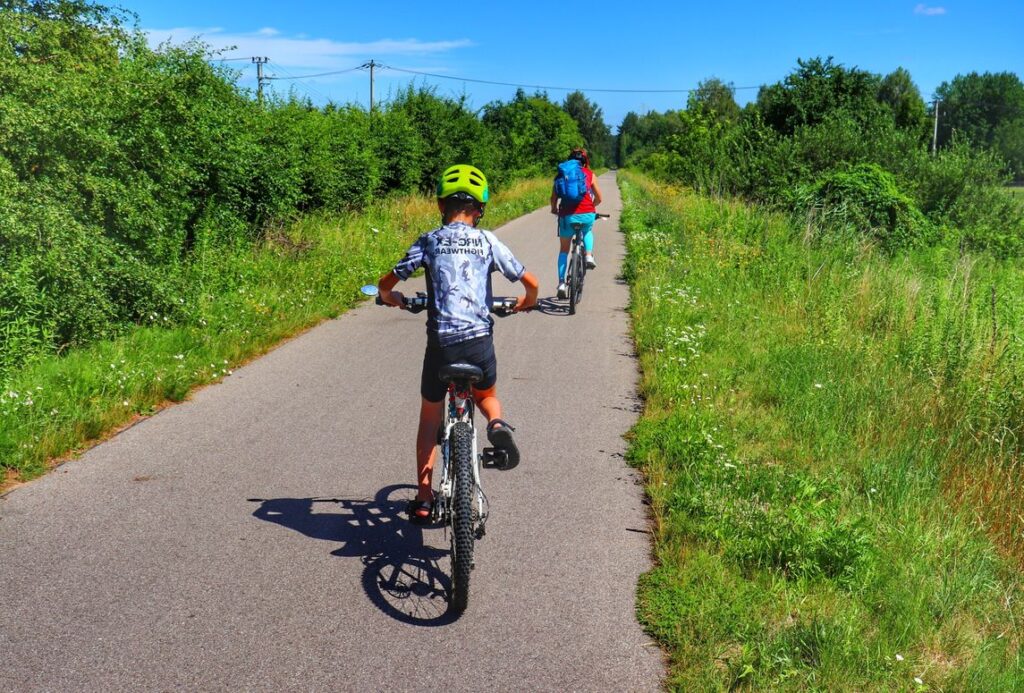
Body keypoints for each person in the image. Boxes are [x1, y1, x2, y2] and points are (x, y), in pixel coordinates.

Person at [377, 164, 539, 523]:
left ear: (441, 206)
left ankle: (422, 499)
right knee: (486, 394)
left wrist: (389, 295)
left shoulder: (430, 240)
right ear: (479, 209)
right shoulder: (487, 241)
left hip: (442, 346)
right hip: (479, 342)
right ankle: (497, 424)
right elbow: (531, 282)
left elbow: (390, 279)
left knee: (430, 417)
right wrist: (526, 300)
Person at [550, 147, 603, 299]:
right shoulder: (590, 174)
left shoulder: (561, 174)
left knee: (564, 250)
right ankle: (588, 255)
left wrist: (554, 209)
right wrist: (592, 207)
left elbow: (553, 198)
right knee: (587, 231)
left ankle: (561, 283)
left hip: (567, 215)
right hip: (587, 213)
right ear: (585, 162)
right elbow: (599, 198)